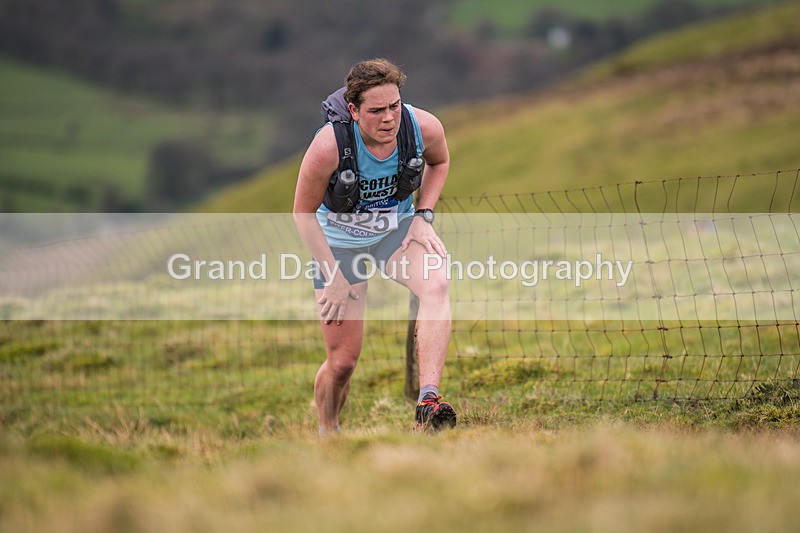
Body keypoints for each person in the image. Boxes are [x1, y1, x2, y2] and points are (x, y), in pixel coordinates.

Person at [293, 58, 456, 435]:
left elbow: (441, 161)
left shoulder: (422, 127)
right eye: (376, 110)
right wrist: (333, 275)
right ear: (353, 110)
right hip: (338, 247)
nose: (389, 118)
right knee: (343, 362)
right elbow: (302, 213)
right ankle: (327, 430)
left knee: (437, 285)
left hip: (394, 233)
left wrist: (422, 215)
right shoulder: (329, 146)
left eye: (395, 106)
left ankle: (428, 402)